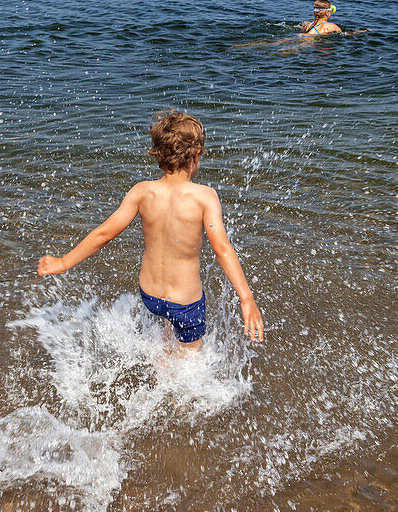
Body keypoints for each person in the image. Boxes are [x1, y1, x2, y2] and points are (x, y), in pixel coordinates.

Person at [37, 110, 264, 353]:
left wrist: (62, 263)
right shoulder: (205, 197)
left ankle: (162, 367)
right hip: (185, 304)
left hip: (151, 297)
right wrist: (246, 298)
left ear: (158, 154)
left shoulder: (142, 191)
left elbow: (104, 234)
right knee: (190, 362)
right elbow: (222, 249)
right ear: (197, 154)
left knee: (168, 330)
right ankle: (174, 388)